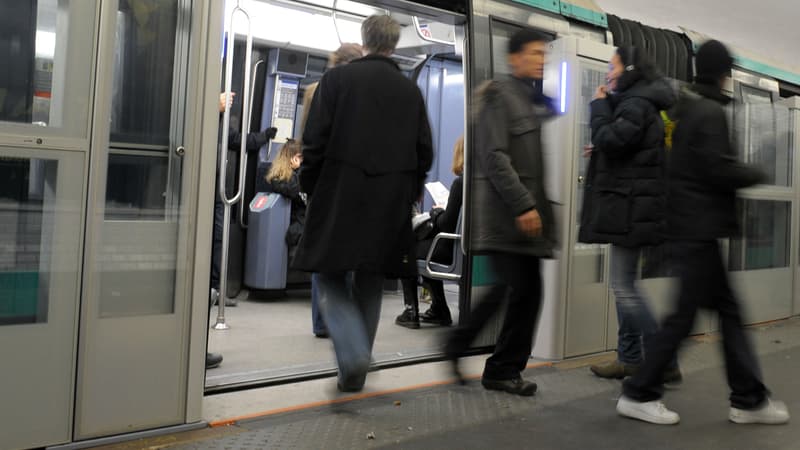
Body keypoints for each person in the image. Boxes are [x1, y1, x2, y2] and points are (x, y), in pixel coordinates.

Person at [616, 40, 790, 425]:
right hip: (697, 230)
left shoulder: (688, 108)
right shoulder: (708, 111)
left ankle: (748, 399)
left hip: (692, 228)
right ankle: (639, 392)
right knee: (684, 319)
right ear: (723, 73)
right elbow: (716, 169)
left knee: (723, 313)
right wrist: (755, 172)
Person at [293, 15, 433, 393]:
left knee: (330, 274)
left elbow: (315, 140)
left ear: (364, 40)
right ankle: (353, 373)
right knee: (371, 278)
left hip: (339, 194)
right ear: (395, 43)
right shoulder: (410, 92)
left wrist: (310, 184)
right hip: (389, 201)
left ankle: (353, 353)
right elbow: (425, 151)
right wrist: (410, 188)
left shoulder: (337, 81)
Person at [444, 29, 555, 397]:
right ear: (514, 58)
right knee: (522, 290)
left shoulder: (525, 97)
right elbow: (493, 157)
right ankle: (499, 367)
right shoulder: (498, 96)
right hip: (507, 215)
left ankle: (469, 351)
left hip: (519, 217)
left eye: (544, 54)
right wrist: (523, 204)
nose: (542, 60)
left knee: (515, 290)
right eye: (535, 53)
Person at [578, 47, 682, 383]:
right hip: (630, 206)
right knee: (624, 285)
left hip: (630, 209)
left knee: (624, 287)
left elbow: (611, 137)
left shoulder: (635, 102)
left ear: (629, 69)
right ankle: (630, 358)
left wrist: (597, 107)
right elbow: (626, 147)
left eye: (612, 66)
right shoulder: (638, 102)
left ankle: (662, 358)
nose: (608, 73)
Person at [207, 92, 277, 369]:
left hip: (216, 193)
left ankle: (214, 290)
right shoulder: (203, 115)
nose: (228, 99)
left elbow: (238, 141)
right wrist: (215, 107)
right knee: (213, 241)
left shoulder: (222, 122)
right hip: (206, 190)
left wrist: (263, 136)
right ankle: (211, 290)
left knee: (218, 242)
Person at [299, 43, 363, 339]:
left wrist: (308, 184)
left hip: (320, 183)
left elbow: (310, 139)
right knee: (345, 257)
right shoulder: (350, 93)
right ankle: (339, 319)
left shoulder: (316, 90)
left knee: (322, 255)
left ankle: (321, 322)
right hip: (343, 184)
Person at [395, 136, 464, 329]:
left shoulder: (460, 184)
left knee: (407, 250)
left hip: (449, 248)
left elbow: (447, 223)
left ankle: (411, 312)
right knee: (424, 247)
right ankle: (439, 308)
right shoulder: (478, 185)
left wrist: (437, 212)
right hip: (461, 248)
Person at [265, 139, 305, 260]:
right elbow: (293, 191)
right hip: (296, 223)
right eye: (300, 157)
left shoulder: (302, 174)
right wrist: (297, 171)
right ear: (292, 158)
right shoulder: (279, 177)